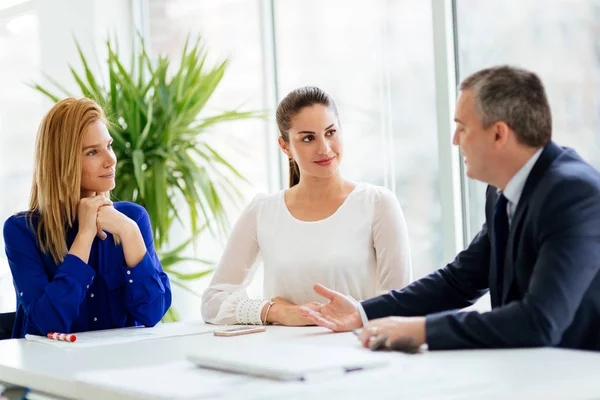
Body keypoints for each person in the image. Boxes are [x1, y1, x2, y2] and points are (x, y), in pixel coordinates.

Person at [302, 66, 600, 351]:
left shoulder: (573, 194)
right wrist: (363, 312)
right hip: (529, 370)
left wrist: (421, 330)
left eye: (462, 128)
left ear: (498, 134)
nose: (455, 140)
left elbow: (539, 321)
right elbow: (460, 280)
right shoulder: (500, 191)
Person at [201, 86, 412, 326]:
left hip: (356, 354)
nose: (324, 148)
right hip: (280, 358)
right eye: (308, 138)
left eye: (331, 132)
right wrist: (275, 311)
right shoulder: (263, 211)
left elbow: (400, 303)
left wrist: (353, 316)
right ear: (285, 146)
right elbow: (212, 302)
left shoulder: (377, 204)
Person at [3, 98, 172, 338]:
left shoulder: (131, 219)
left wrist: (130, 232)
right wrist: (84, 236)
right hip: (47, 370)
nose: (111, 159)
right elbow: (48, 323)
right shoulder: (22, 230)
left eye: (109, 146)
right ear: (63, 163)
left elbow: (153, 313)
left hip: (119, 368)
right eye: (92, 152)